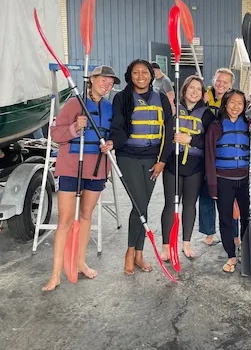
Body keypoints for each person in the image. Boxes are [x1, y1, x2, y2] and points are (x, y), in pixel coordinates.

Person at [42, 65, 119, 291]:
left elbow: (111, 135)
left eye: (110, 82)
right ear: (91, 80)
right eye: (103, 80)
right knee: (65, 221)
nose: (107, 85)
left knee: (86, 216)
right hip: (71, 168)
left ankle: (79, 262)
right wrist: (76, 126)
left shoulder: (109, 107)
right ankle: (55, 273)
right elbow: (55, 133)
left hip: (96, 169)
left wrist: (111, 144)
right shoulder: (75, 102)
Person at [110, 59, 174, 275]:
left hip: (152, 159)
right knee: (139, 204)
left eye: (144, 72)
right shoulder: (122, 98)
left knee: (143, 205)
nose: (140, 76)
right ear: (130, 75)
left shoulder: (162, 99)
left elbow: (168, 132)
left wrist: (162, 160)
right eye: (135, 72)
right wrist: (113, 143)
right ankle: (130, 252)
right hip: (128, 157)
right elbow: (117, 126)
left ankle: (139, 252)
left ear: (151, 74)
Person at [205, 89, 251, 273]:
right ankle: (231, 255)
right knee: (225, 219)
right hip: (223, 180)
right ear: (225, 103)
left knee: (248, 217)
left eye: (240, 103)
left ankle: (248, 250)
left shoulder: (247, 125)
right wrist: (212, 186)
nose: (235, 107)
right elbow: (209, 157)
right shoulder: (216, 126)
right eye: (232, 102)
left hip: (244, 180)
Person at [161, 75, 215, 260]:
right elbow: (165, 134)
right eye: (191, 88)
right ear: (184, 90)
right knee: (170, 204)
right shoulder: (174, 109)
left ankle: (186, 243)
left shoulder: (207, 114)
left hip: (195, 166)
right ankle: (166, 246)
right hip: (172, 164)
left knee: (190, 205)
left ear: (202, 94)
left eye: (198, 89)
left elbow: (209, 141)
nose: (194, 92)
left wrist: (189, 139)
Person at [198, 68, 239, 247]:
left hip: (225, 152)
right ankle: (209, 231)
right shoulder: (203, 96)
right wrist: (202, 103)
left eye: (225, 82)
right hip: (203, 150)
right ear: (213, 79)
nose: (221, 84)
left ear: (231, 85)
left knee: (230, 195)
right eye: (218, 80)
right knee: (206, 193)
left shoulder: (234, 100)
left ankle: (235, 231)